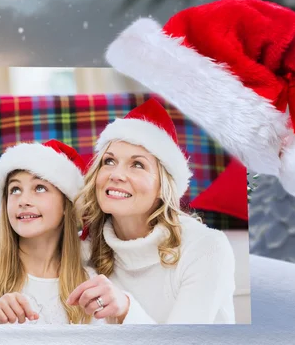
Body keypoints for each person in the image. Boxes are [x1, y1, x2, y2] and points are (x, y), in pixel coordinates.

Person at [0, 140, 150, 324]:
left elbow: (151, 338)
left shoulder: (90, 284)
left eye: (39, 188)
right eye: (15, 189)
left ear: (66, 206)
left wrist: (125, 308)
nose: (23, 200)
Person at [67, 99, 237, 324]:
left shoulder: (206, 247)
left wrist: (126, 308)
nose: (116, 174)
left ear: (163, 187)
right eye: (109, 161)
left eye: (137, 165)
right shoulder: (85, 248)